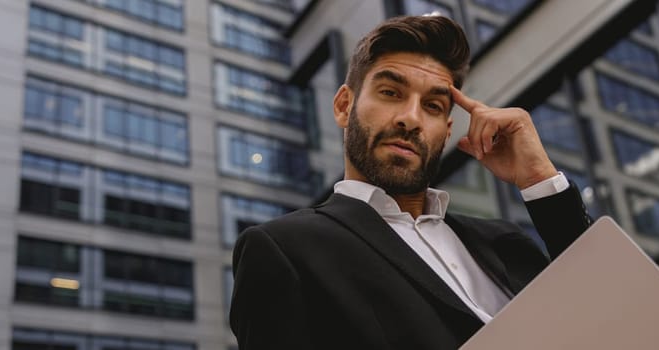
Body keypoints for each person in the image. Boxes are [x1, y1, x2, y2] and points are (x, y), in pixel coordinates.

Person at [229, 14, 592, 350]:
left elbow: (606, 308)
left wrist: (540, 180)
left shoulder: (503, 241)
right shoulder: (285, 248)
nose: (410, 118)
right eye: (391, 93)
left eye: (433, 106)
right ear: (343, 106)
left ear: (447, 132)